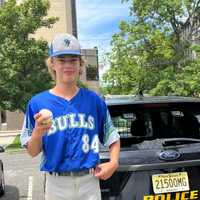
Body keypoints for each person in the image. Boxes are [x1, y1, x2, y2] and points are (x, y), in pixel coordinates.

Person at [20, 33, 120, 200]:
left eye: (73, 60)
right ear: (52, 64)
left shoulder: (94, 100)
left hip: (90, 181)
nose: (68, 65)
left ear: (80, 64)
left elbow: (112, 136)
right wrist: (37, 133)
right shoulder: (37, 103)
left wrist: (114, 162)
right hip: (56, 184)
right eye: (61, 60)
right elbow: (32, 151)